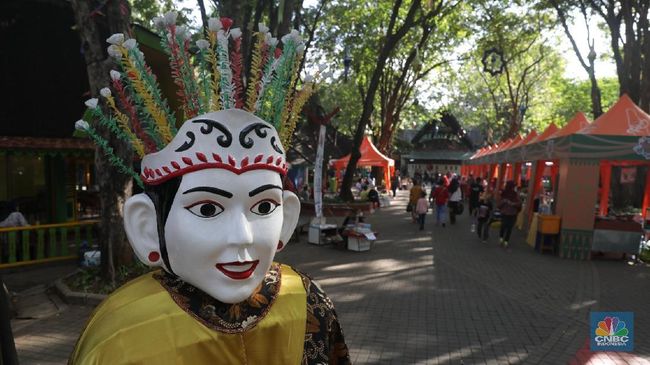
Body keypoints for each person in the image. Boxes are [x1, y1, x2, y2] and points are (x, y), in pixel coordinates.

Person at [70, 18, 349, 365]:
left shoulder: (308, 302)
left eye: (263, 207)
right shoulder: (120, 335)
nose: (242, 236)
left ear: (287, 218)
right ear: (146, 228)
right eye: (207, 209)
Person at [497, 181, 522, 248]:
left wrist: (506, 202)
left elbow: (499, 204)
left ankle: (501, 238)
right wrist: (513, 204)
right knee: (509, 228)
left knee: (503, 226)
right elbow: (519, 203)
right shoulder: (515, 194)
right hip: (512, 214)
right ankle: (506, 241)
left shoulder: (504, 193)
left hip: (505, 213)